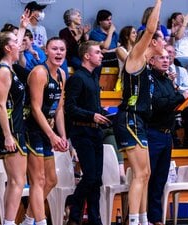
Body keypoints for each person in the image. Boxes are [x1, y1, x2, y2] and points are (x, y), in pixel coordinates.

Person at [113, 1, 164, 225]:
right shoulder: (135, 57)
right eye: (162, 38)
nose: (165, 41)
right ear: (153, 42)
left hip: (138, 120)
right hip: (129, 118)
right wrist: (159, 2)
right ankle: (133, 220)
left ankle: (142, 219)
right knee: (140, 174)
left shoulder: (148, 65)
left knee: (146, 173)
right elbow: (151, 28)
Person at [0, 10, 29, 225]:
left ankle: (9, 222)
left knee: (17, 181)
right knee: (17, 181)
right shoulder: (3, 71)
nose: (20, 44)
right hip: (10, 130)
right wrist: (8, 136)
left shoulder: (10, 66)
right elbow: (0, 105)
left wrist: (23, 27)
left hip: (17, 128)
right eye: (16, 42)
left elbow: (15, 42)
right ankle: (8, 222)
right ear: (8, 48)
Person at [22, 37, 69, 225]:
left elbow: (58, 109)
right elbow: (35, 108)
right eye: (55, 49)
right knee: (38, 179)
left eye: (62, 49)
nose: (58, 53)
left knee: (51, 179)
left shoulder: (62, 75)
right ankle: (40, 222)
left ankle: (27, 220)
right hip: (31, 128)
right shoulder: (39, 73)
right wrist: (52, 135)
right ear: (46, 51)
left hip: (47, 130)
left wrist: (62, 136)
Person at [146, 49, 188, 225]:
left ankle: (156, 218)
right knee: (149, 177)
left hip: (167, 134)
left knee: (160, 178)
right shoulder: (149, 79)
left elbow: (173, 100)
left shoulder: (167, 80)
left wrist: (182, 96)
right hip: (153, 132)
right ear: (151, 61)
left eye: (167, 57)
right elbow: (158, 103)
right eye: (161, 58)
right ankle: (145, 216)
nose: (166, 61)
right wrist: (180, 96)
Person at [65, 40, 109, 225]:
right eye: (97, 52)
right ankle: (73, 205)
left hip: (95, 132)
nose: (101, 55)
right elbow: (70, 107)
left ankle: (94, 218)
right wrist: (92, 116)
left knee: (97, 179)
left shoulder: (93, 76)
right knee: (90, 176)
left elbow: (91, 105)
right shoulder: (77, 78)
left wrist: (103, 114)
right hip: (81, 132)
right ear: (86, 55)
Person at [165, 44, 188, 148]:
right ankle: (175, 140)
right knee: (168, 110)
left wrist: (176, 86)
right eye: (166, 52)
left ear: (174, 55)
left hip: (181, 100)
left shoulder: (181, 70)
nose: (168, 55)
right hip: (168, 101)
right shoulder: (160, 70)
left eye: (170, 52)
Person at [167, 12, 188, 76]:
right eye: (180, 18)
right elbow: (178, 37)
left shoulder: (186, 32)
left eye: (183, 17)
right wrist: (184, 24)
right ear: (173, 20)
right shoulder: (170, 31)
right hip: (180, 57)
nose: (182, 19)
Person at [115, 26, 137, 91]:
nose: (136, 34)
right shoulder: (119, 49)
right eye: (133, 33)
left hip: (136, 79)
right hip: (124, 80)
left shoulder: (137, 49)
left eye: (136, 32)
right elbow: (129, 62)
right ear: (126, 36)